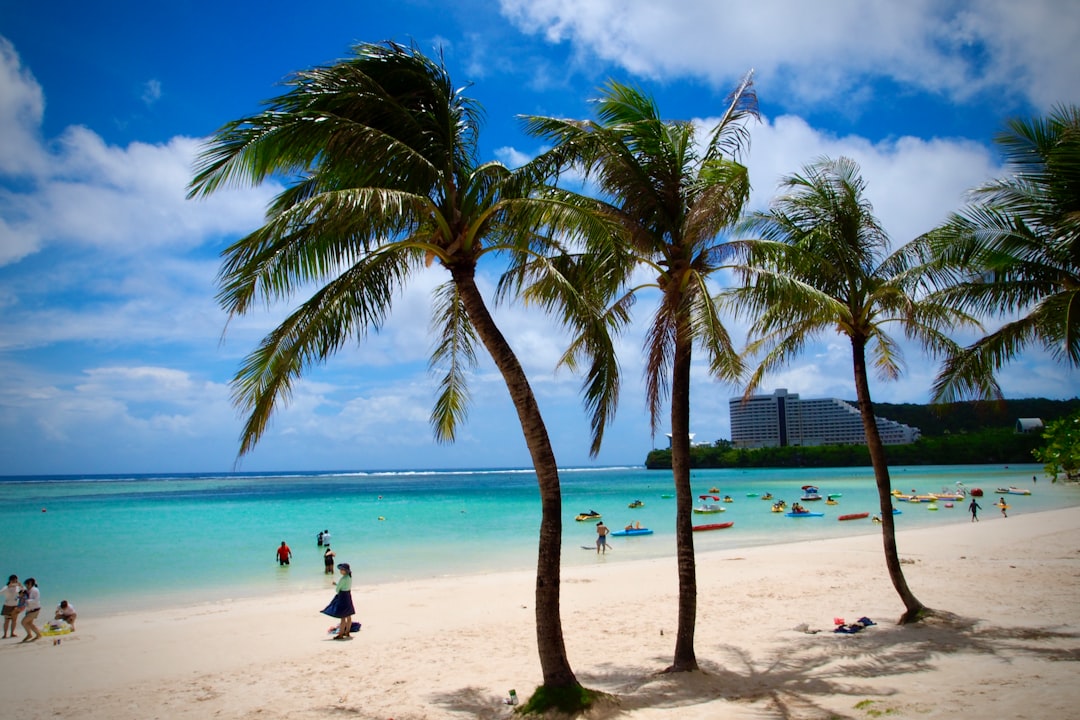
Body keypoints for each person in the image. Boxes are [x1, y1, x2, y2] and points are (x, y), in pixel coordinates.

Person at [321, 562, 355, 640]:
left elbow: (337, 590)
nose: (340, 571)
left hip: (343, 596)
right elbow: (344, 586)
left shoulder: (343, 579)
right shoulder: (349, 577)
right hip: (348, 595)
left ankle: (341, 634)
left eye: (342, 569)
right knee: (348, 615)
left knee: (342, 616)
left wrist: (337, 585)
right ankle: (347, 632)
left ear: (345, 570)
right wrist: (337, 584)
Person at [20, 577, 41, 643]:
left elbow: (36, 600)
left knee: (23, 622)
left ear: (30, 584)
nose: (26, 586)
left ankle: (30, 634)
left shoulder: (35, 590)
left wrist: (26, 601)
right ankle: (38, 634)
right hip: (30, 609)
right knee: (29, 623)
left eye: (27, 584)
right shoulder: (28, 590)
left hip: (34, 609)